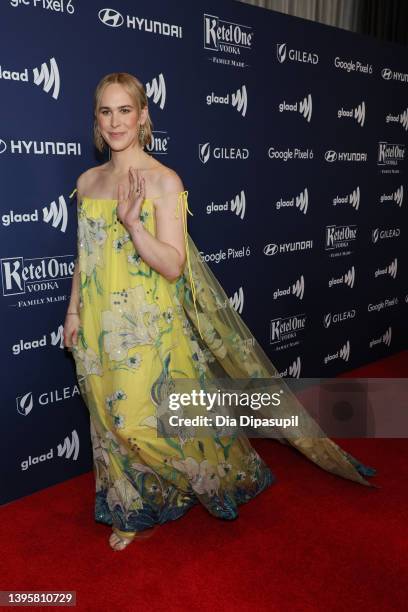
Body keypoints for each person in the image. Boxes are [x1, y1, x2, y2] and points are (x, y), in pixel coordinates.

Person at [64, 72, 377, 552]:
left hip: (149, 328)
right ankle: (132, 508)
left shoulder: (165, 181)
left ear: (143, 115)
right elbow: (85, 258)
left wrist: (133, 224)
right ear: (96, 119)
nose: (115, 121)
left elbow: (173, 264)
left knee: (137, 423)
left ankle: (208, 477)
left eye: (125, 110)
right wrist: (73, 314)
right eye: (105, 111)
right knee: (108, 425)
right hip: (98, 325)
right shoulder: (87, 181)